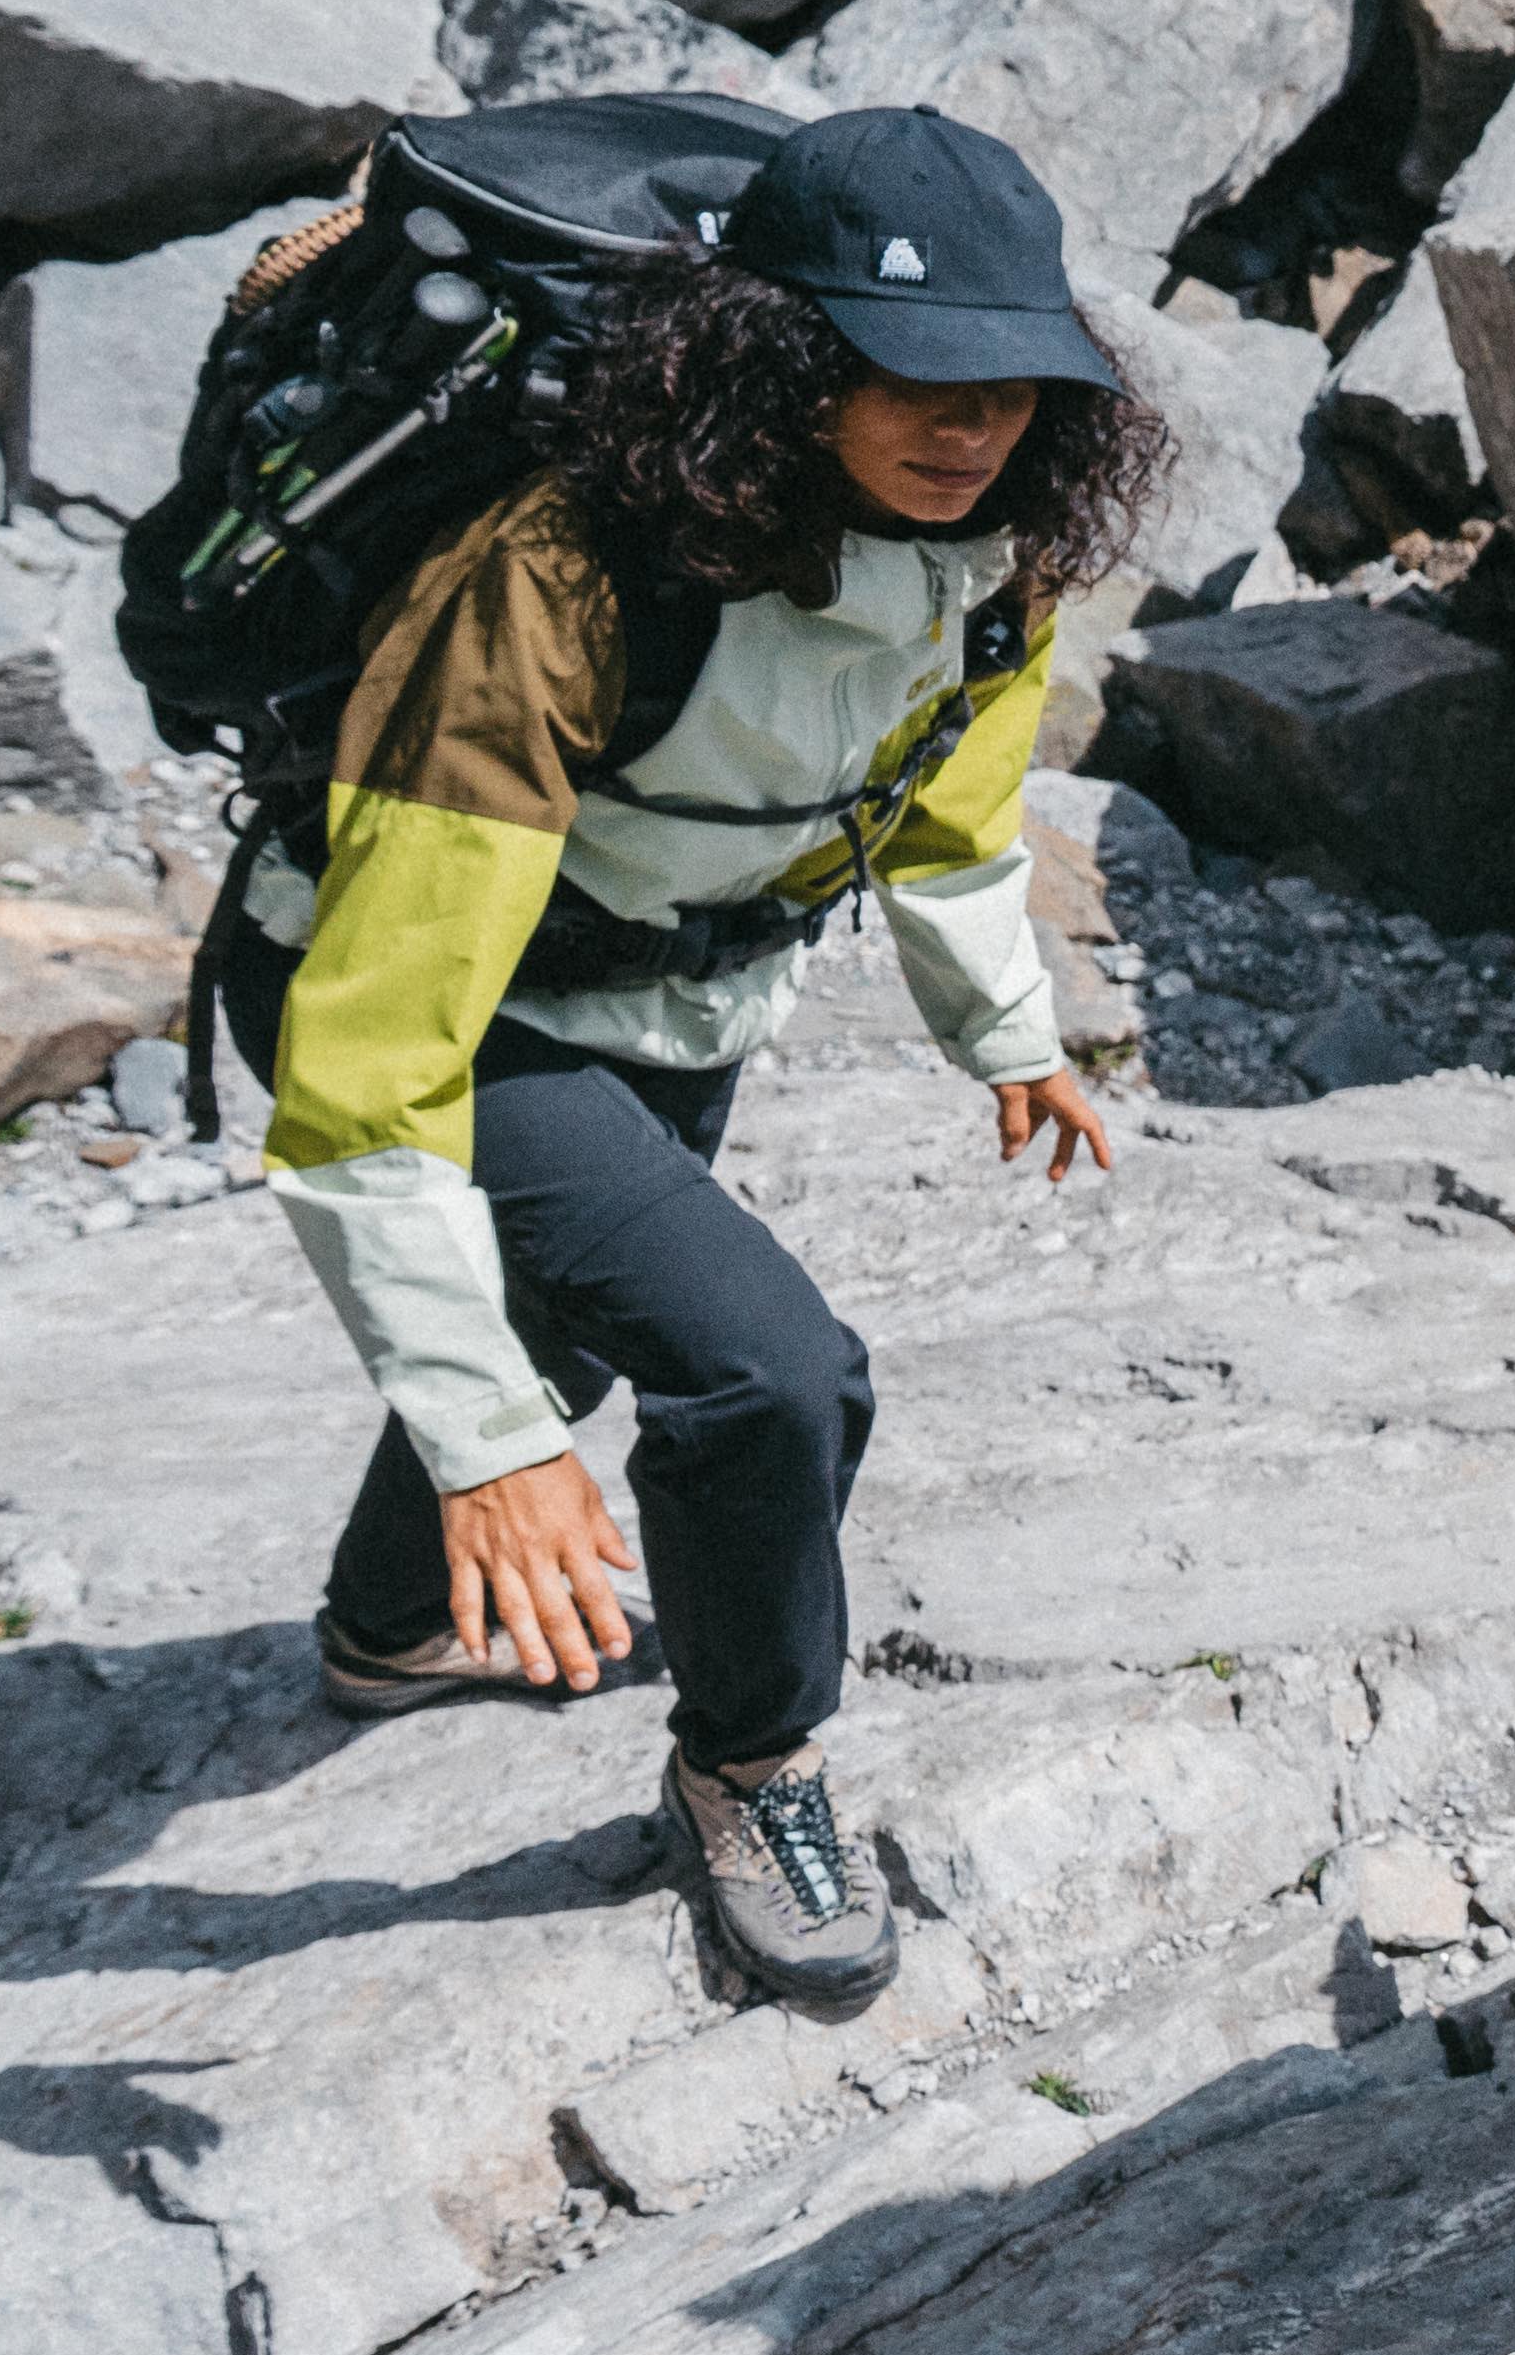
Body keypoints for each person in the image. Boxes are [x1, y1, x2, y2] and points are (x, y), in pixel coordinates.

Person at [227, 108, 1162, 2011]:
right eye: (908, 370)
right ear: (780, 359)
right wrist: (492, 1453)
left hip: (670, 999)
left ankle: (395, 1628)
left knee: (576, 1316)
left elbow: (949, 810)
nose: (970, 421)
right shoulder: (567, 576)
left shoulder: (992, 557)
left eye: (1013, 377)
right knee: (768, 1376)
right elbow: (373, 1051)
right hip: (416, 997)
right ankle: (751, 1765)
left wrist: (1006, 1031)